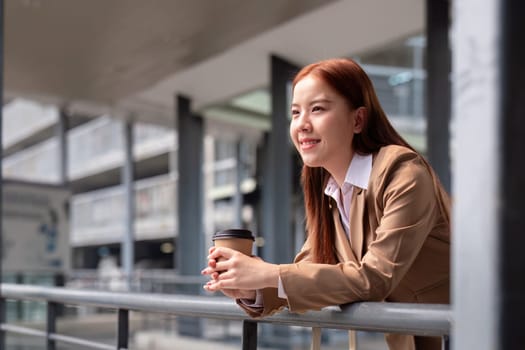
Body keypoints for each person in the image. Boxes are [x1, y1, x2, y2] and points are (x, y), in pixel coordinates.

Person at [201, 58, 450, 350]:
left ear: (358, 120)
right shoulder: (331, 192)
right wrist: (249, 287)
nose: (302, 124)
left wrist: (267, 273)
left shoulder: (404, 173)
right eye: (295, 113)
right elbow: (311, 271)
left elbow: (375, 278)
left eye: (317, 109)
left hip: (476, 333)